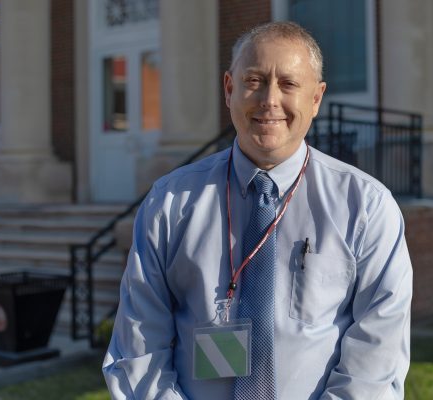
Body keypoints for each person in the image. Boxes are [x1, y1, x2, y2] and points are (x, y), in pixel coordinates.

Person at [103, 21, 412, 400]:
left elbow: (377, 355)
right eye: (254, 80)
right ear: (230, 89)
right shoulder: (170, 203)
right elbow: (140, 344)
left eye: (289, 84)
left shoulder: (365, 207)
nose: (269, 99)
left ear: (316, 99)